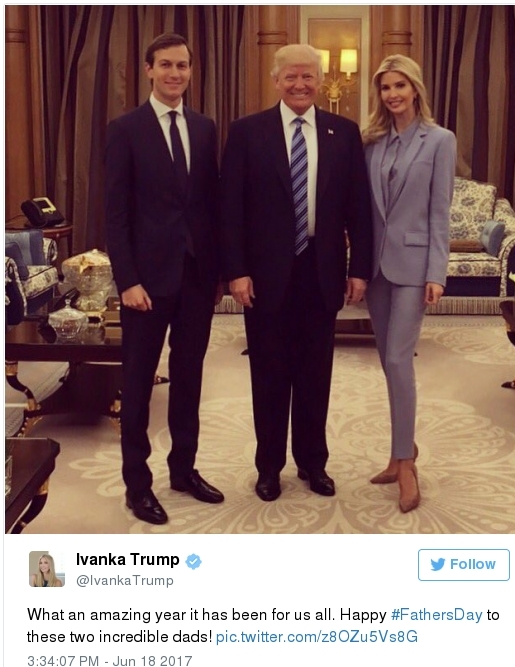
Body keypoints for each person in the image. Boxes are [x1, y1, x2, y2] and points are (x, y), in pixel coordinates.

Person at [219, 44, 372, 501]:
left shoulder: (344, 132)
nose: (300, 85)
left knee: (314, 376)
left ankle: (312, 463)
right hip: (264, 277)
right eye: (290, 77)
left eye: (308, 76)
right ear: (276, 80)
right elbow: (231, 210)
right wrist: (236, 271)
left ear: (320, 81)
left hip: (321, 273)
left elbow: (358, 207)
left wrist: (359, 269)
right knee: (268, 375)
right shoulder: (247, 132)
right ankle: (269, 467)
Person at [105, 33, 224, 525]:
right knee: (137, 385)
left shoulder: (204, 127)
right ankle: (137, 485)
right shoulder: (125, 129)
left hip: (196, 278)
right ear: (149, 70)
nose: (175, 73)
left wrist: (217, 272)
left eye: (183, 66)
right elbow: (115, 214)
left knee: (189, 378)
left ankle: (183, 470)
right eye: (166, 65)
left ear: (191, 71)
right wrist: (127, 280)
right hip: (146, 285)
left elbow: (209, 205)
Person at [362, 55, 457, 513]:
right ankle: (402, 449)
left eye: (400, 85)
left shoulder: (439, 140)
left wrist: (437, 272)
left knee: (400, 359)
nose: (393, 94)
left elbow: (440, 210)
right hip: (376, 269)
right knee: (389, 363)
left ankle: (406, 464)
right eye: (385, 88)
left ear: (415, 89)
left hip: (415, 267)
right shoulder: (371, 142)